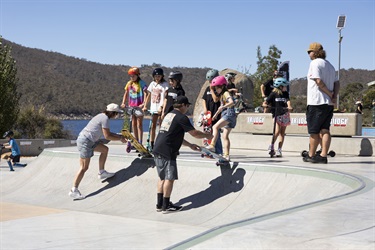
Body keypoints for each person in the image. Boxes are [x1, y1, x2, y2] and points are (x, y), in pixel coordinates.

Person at [153, 96, 213, 213]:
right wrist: (207, 135)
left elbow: (174, 135)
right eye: (188, 106)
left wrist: (190, 145)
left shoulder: (169, 115)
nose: (187, 108)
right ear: (183, 105)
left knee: (162, 177)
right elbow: (194, 133)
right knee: (169, 178)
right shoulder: (181, 117)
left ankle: (160, 204)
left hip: (158, 148)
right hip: (167, 150)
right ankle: (166, 206)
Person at [69, 103, 127, 200]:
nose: (117, 116)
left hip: (89, 141)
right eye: (116, 114)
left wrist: (120, 136)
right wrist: (120, 139)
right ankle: (74, 190)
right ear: (112, 113)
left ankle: (102, 172)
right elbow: (107, 136)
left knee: (104, 150)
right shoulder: (105, 119)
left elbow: (107, 133)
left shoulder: (101, 116)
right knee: (84, 167)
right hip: (85, 141)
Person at [304, 42, 340, 164]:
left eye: (310, 52)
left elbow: (318, 81)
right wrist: (334, 96)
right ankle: (323, 155)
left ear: (315, 52)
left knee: (313, 131)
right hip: (328, 104)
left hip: (317, 102)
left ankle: (312, 155)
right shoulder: (330, 65)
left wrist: (330, 94)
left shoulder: (314, 63)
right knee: (325, 129)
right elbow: (337, 83)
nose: (309, 54)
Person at [206, 76, 236, 161]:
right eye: (215, 88)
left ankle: (212, 145)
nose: (216, 90)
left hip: (229, 114)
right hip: (231, 116)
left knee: (215, 127)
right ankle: (226, 155)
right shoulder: (222, 95)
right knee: (225, 136)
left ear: (222, 86)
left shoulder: (226, 93)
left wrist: (223, 108)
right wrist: (215, 115)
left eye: (218, 87)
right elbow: (221, 107)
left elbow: (231, 102)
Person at [262, 78, 293, 157]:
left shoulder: (285, 93)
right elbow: (265, 102)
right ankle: (271, 145)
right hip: (276, 114)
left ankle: (279, 149)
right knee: (277, 131)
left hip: (284, 114)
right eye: (284, 86)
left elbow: (288, 101)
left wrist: (289, 106)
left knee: (282, 133)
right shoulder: (273, 94)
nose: (286, 87)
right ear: (280, 86)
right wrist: (265, 105)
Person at [121, 66, 149, 146]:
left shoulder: (141, 83)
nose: (132, 77)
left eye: (133, 76)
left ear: (137, 75)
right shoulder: (129, 83)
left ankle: (140, 141)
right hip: (131, 106)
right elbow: (126, 93)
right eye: (130, 76)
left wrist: (144, 103)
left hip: (139, 106)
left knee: (139, 124)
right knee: (133, 124)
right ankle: (136, 140)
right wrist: (123, 102)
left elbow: (146, 93)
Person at [144, 68, 169, 150]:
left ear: (162, 76)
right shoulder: (152, 84)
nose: (157, 78)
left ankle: (162, 143)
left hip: (161, 108)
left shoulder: (165, 84)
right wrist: (145, 106)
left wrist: (162, 108)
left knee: (162, 127)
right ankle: (152, 143)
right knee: (152, 126)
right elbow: (149, 95)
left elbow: (166, 97)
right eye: (156, 76)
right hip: (153, 108)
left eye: (159, 76)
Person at [201, 69, 223, 154]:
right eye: (209, 81)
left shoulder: (218, 89)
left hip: (216, 115)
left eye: (211, 81)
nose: (210, 83)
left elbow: (216, 100)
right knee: (207, 132)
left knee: (216, 134)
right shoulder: (207, 88)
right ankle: (209, 150)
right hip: (208, 115)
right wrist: (205, 109)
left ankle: (219, 151)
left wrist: (212, 90)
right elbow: (204, 99)